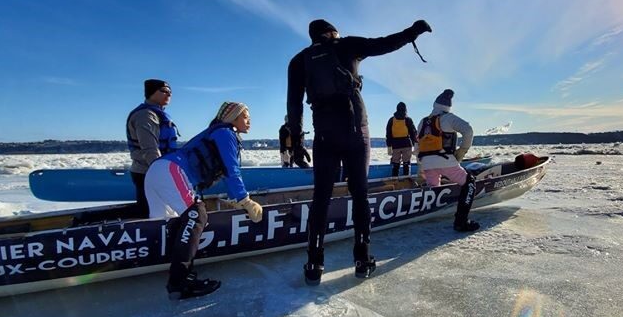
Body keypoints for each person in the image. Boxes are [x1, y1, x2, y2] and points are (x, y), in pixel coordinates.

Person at [286, 17, 433, 284]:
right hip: (356, 133)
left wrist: (296, 143)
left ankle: (314, 263)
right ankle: (362, 259)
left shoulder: (299, 61)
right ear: (331, 32)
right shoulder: (348, 45)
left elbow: (293, 107)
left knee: (321, 199)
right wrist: (412, 32)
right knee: (360, 195)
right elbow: (384, 44)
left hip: (324, 135)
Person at [145, 101, 263, 300]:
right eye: (245, 116)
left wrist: (234, 198)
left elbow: (222, 172)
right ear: (232, 118)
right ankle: (179, 282)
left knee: (171, 222)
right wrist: (245, 200)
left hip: (158, 171)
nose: (249, 121)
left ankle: (177, 270)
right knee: (196, 214)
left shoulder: (216, 132)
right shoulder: (226, 133)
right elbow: (231, 170)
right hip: (171, 170)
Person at [415, 89, 480, 232]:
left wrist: (421, 167)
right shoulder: (449, 118)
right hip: (445, 161)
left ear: (434, 105)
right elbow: (468, 130)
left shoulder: (423, 122)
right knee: (469, 183)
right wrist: (462, 151)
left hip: (427, 163)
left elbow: (417, 145)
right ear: (448, 107)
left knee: (434, 187)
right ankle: (461, 222)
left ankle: (431, 211)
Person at [126, 79, 180, 216]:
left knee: (153, 210)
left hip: (155, 169)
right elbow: (150, 149)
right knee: (149, 212)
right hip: (147, 171)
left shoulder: (157, 114)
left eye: (170, 92)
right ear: (150, 93)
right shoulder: (146, 115)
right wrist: (161, 174)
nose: (168, 94)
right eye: (163, 91)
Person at [385, 102, 418, 177]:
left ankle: (395, 179)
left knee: (395, 163)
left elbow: (388, 134)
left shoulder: (391, 120)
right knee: (406, 163)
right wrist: (415, 143)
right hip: (406, 144)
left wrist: (389, 146)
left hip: (395, 145)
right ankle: (406, 179)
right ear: (405, 109)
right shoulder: (408, 119)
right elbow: (413, 133)